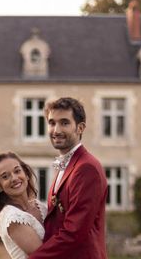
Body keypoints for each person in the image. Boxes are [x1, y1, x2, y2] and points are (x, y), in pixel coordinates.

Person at [29, 97, 108, 259]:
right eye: (52, 123)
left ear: (80, 128)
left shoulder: (87, 168)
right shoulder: (66, 165)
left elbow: (74, 232)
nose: (56, 130)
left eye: (64, 123)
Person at [0, 151, 47, 259]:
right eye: (5, 176)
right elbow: (44, 256)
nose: (14, 178)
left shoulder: (40, 205)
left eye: (17, 171)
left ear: (26, 174)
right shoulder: (12, 218)